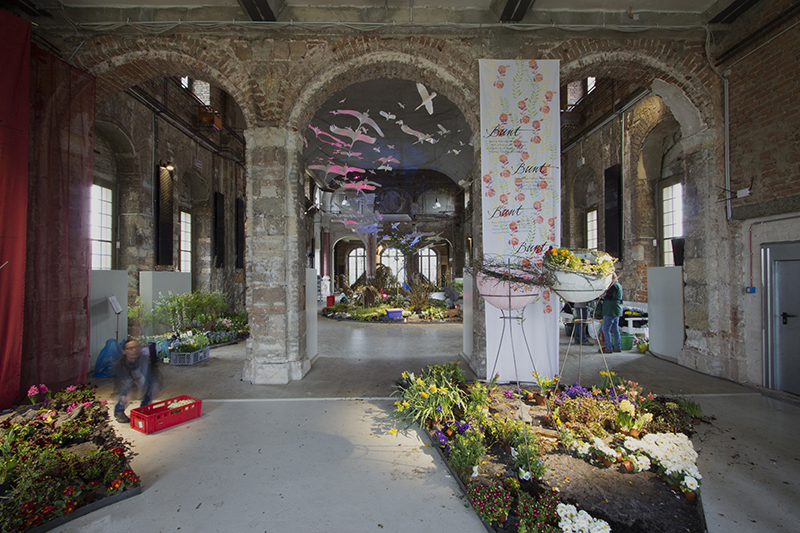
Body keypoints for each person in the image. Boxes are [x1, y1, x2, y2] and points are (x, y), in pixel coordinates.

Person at [113, 338, 161, 423]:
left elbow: (150, 374)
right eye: (130, 348)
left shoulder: (143, 359)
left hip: (138, 379)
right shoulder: (119, 365)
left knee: (150, 387)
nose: (134, 350)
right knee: (124, 395)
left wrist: (156, 384)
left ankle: (143, 410)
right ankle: (118, 412)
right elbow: (121, 381)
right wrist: (129, 391)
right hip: (126, 383)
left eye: (136, 347)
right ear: (124, 351)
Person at [600, 280, 623, 353]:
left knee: (606, 329)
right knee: (615, 329)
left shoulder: (613, 286)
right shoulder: (618, 285)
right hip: (616, 309)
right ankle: (617, 346)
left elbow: (610, 296)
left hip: (610, 310)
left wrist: (604, 294)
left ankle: (608, 347)